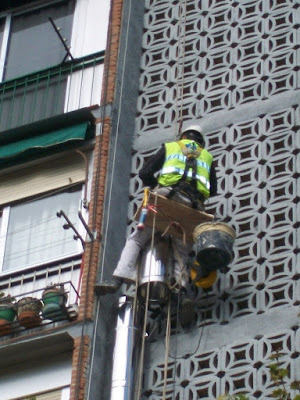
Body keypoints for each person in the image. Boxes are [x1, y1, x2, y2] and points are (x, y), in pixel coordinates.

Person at [112, 124, 218, 291]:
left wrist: (157, 187)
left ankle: (120, 276)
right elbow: (213, 190)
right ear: (200, 142)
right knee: (182, 249)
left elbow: (145, 172)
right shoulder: (207, 157)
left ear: (183, 137)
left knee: (138, 238)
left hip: (167, 198)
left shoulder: (171, 147)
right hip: (193, 207)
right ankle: (179, 288)